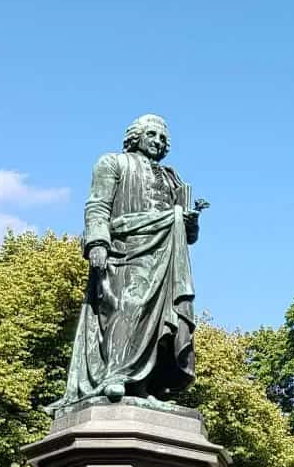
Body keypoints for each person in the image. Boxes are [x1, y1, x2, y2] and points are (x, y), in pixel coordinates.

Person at [54, 114, 208, 410]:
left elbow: (189, 237)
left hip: (164, 253)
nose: (158, 141)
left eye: (163, 138)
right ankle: (116, 375)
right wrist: (97, 242)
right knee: (128, 306)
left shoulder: (171, 178)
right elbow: (98, 205)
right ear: (136, 137)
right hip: (125, 249)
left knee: (163, 321)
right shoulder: (112, 162)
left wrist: (190, 222)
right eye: (152, 134)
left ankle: (143, 386)